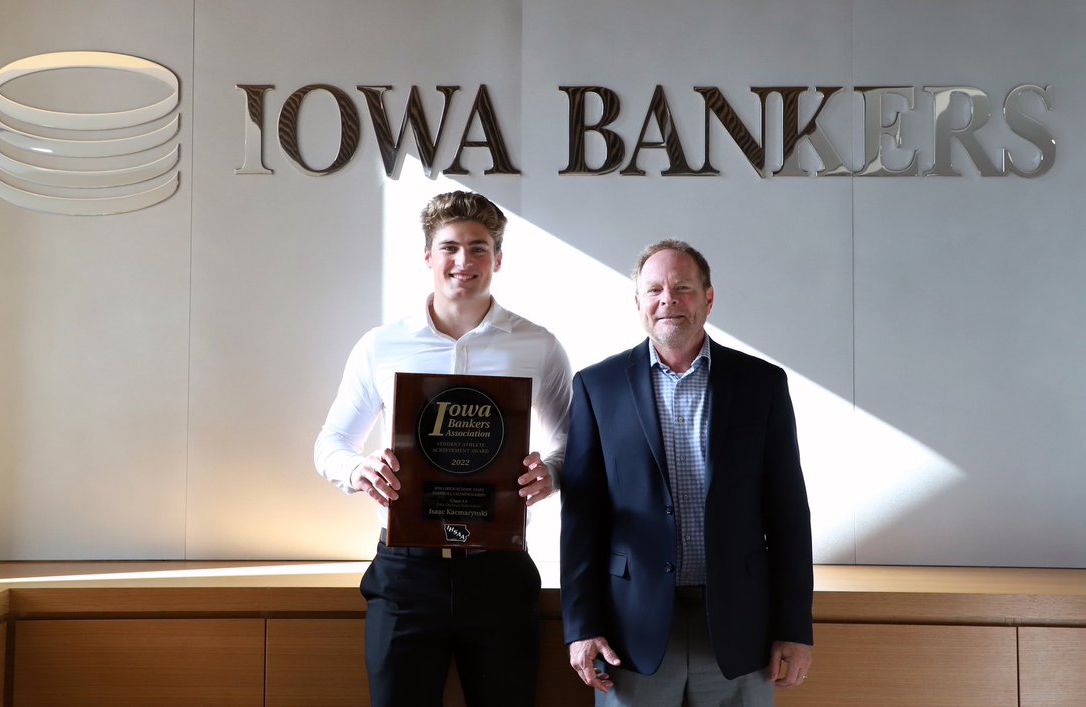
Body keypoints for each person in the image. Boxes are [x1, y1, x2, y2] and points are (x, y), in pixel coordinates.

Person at [314, 191, 571, 707]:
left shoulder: (538, 345)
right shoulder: (380, 345)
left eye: (479, 248)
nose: (463, 262)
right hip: (407, 572)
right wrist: (360, 470)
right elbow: (331, 444)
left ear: (498, 259)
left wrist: (554, 473)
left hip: (499, 571)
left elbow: (573, 442)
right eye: (449, 247)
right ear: (428, 257)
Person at [559, 239, 813, 706]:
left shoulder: (762, 384)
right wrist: (581, 627)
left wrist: (795, 628)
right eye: (654, 289)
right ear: (638, 303)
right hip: (630, 632)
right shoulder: (598, 387)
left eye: (683, 288)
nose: (667, 299)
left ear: (709, 298)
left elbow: (789, 514)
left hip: (740, 629)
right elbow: (581, 519)